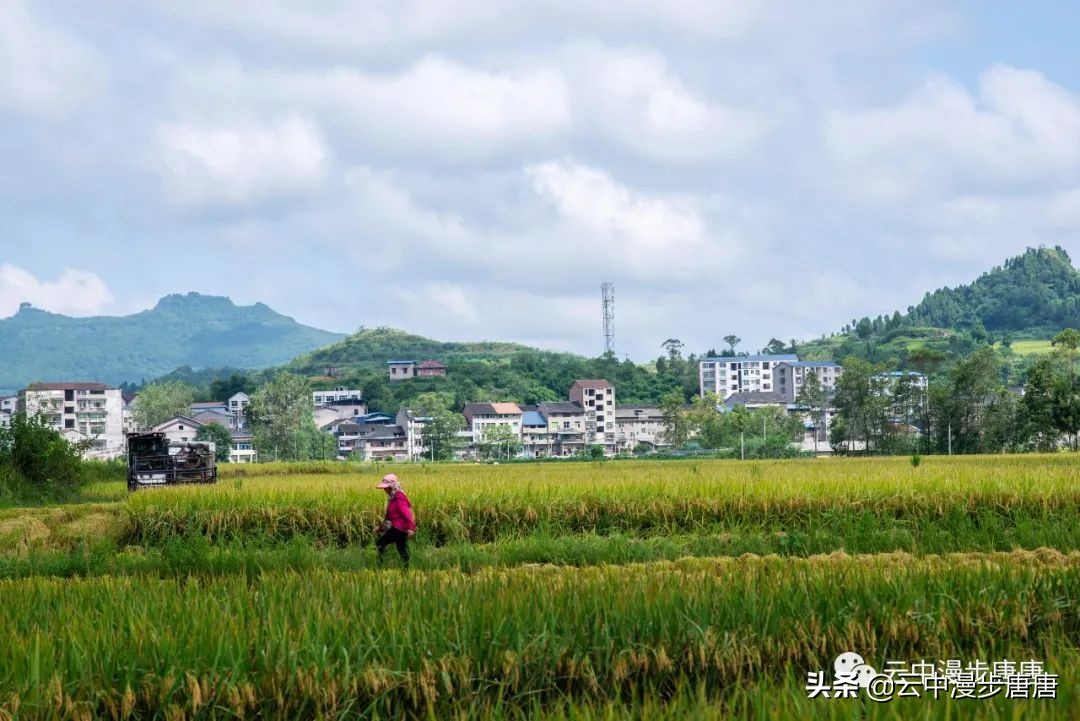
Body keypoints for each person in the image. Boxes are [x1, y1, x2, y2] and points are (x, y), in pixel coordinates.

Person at [374, 473, 416, 569]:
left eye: (386, 487)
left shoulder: (399, 497)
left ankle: (379, 567)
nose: (384, 489)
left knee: (380, 543)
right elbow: (388, 518)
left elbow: (407, 513)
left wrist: (411, 528)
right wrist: (380, 528)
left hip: (399, 529)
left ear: (392, 486)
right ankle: (406, 570)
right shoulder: (392, 498)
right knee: (402, 548)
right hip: (399, 528)